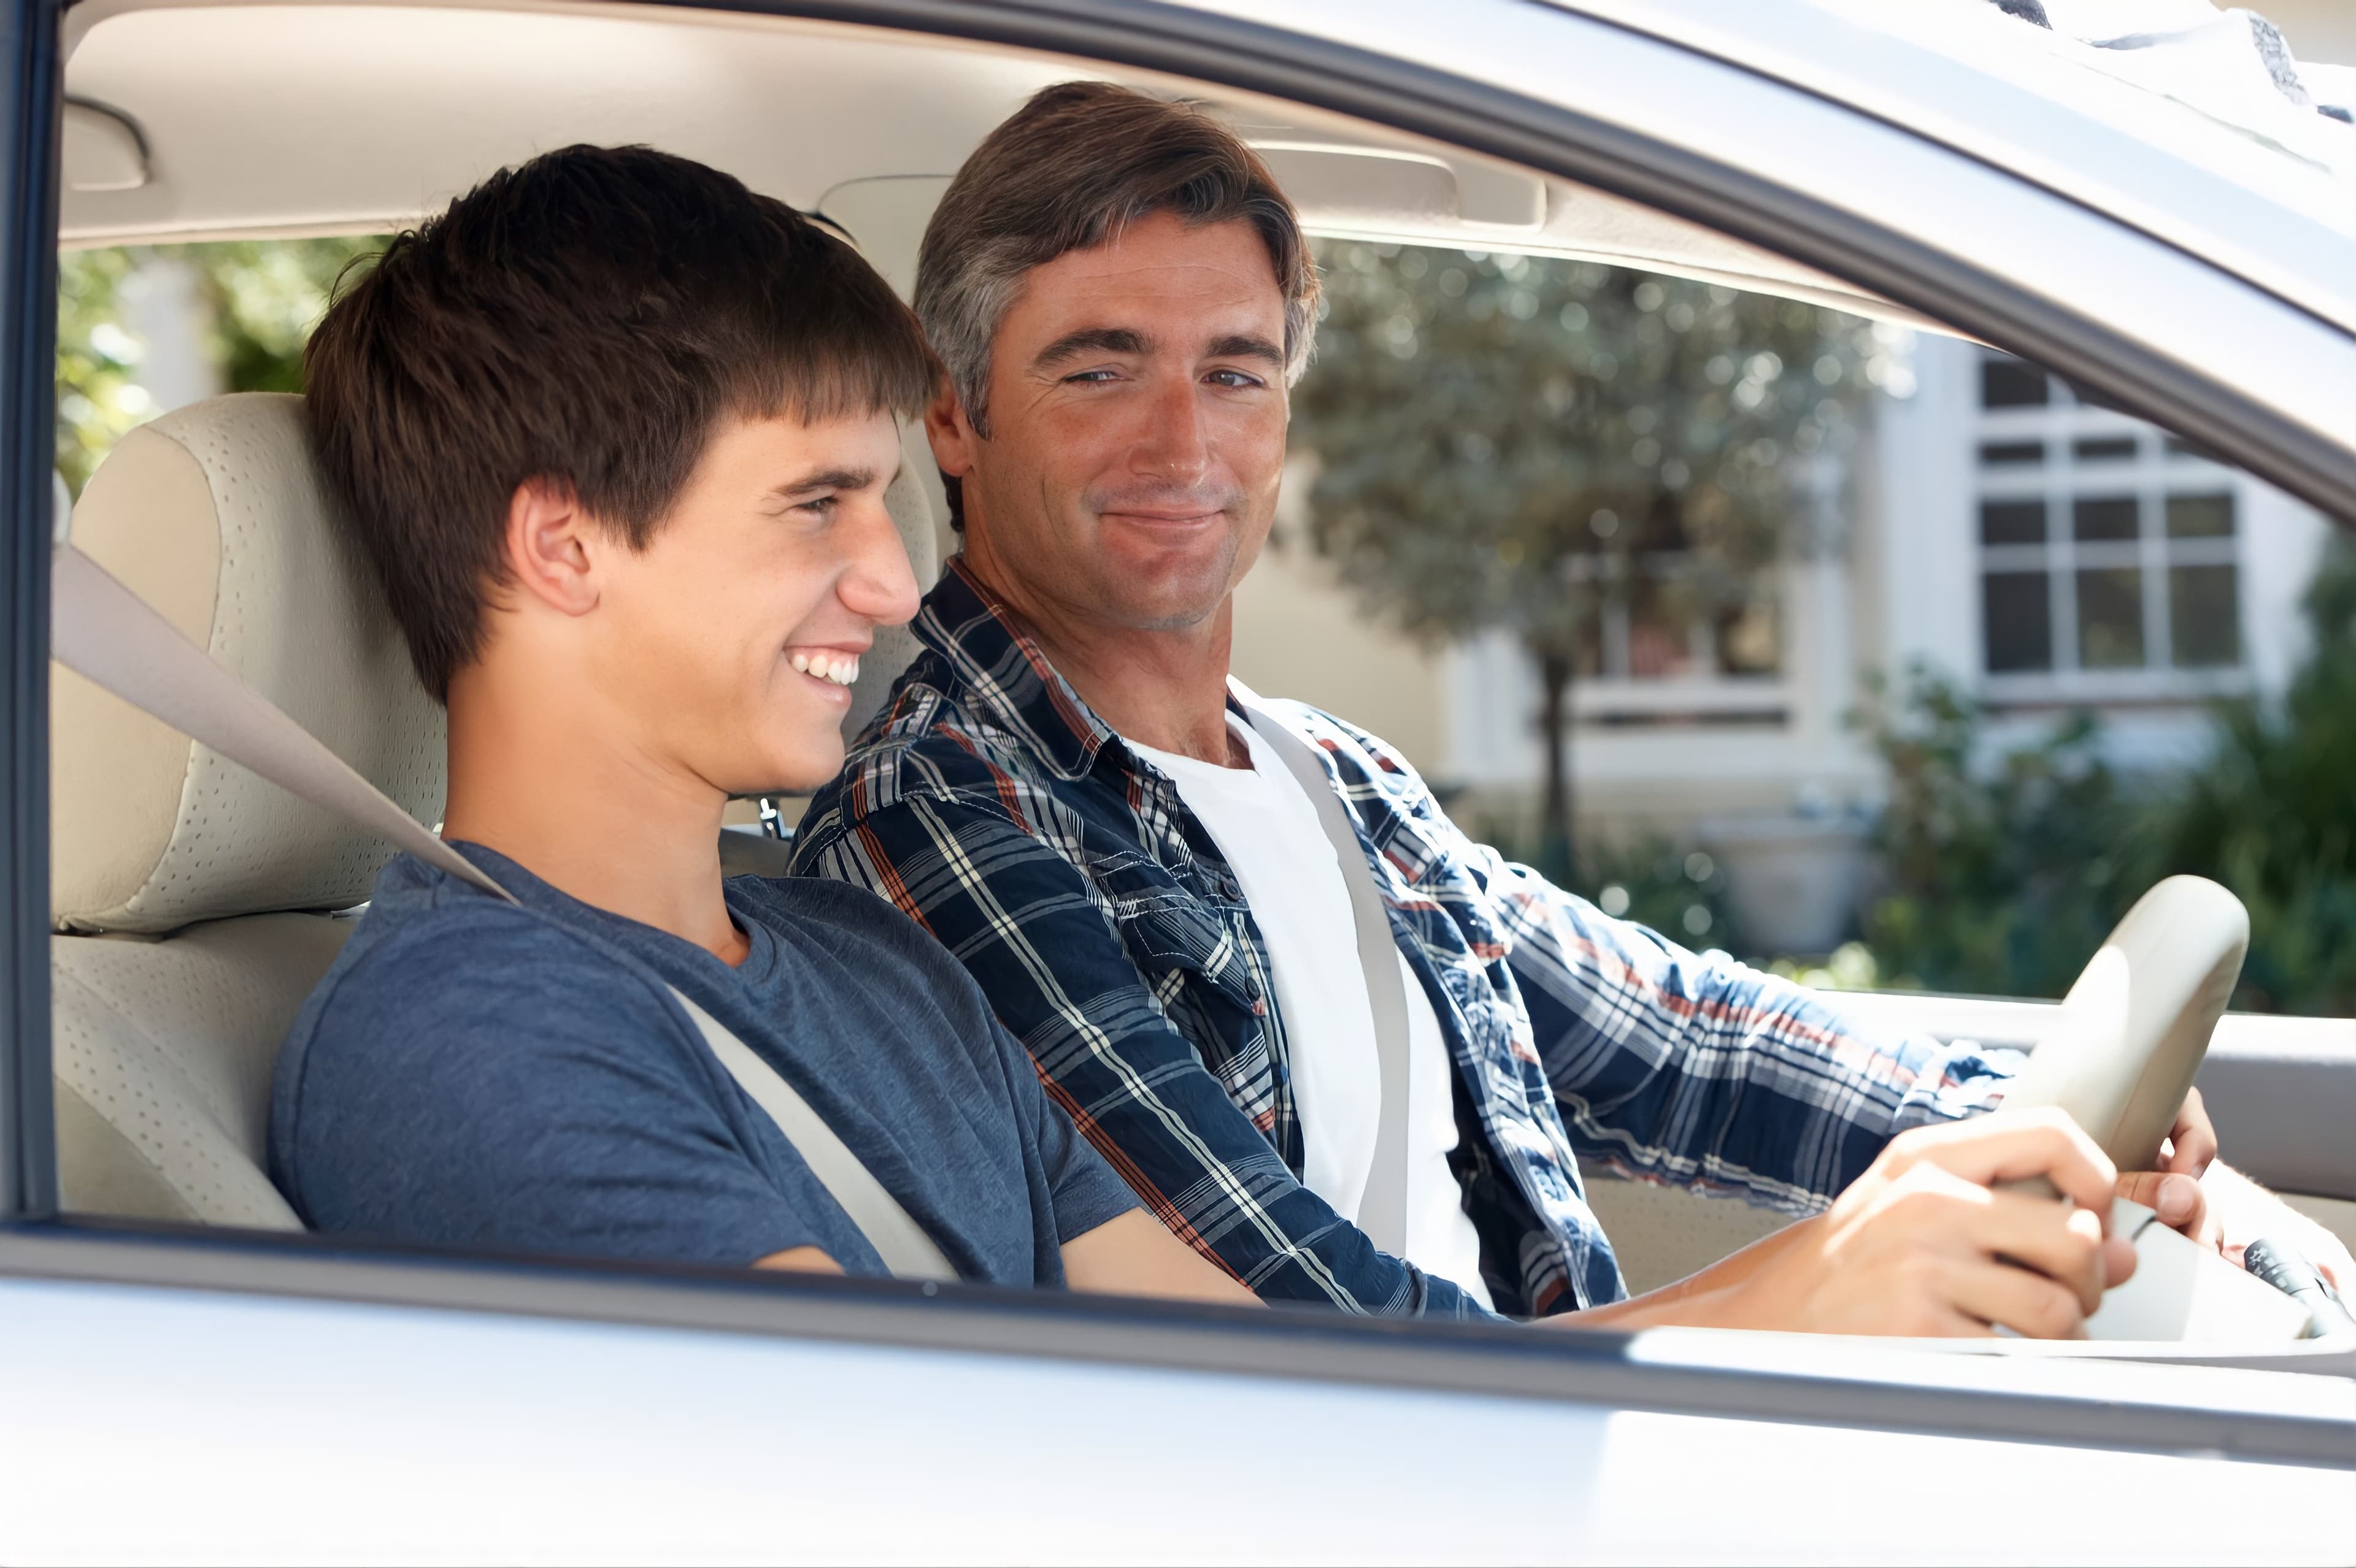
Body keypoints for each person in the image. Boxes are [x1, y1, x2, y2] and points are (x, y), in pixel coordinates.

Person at [791, 83, 2340, 1335]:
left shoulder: (1333, 775)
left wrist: (2048, 1128)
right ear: (955, 409)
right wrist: (1802, 1298)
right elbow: (1309, 1356)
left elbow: (1685, 1043)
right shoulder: (940, 814)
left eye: (1238, 371)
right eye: (1100, 368)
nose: (1183, 441)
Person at [269, 143, 1254, 1307]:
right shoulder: (466, 1039)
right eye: (815, 504)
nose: (896, 586)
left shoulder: (876, 962)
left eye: (882, 502)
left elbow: (1244, 1368)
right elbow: (892, 1467)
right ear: (562, 546)